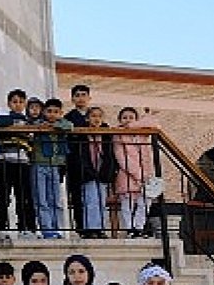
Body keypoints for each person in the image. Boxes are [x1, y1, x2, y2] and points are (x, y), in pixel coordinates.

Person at [0, 89, 37, 239]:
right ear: (9, 103)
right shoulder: (4, 118)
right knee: (4, 195)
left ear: (25, 104)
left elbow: (32, 140)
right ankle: (1, 227)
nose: (18, 105)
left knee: (24, 195)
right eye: (14, 102)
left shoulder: (29, 122)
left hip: (23, 162)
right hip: (6, 161)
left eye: (20, 102)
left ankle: (26, 228)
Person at [30, 98, 73, 239]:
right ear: (44, 112)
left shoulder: (62, 124)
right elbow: (33, 125)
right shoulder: (37, 123)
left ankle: (58, 228)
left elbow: (69, 125)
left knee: (55, 199)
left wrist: (56, 125)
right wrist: (44, 126)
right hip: (39, 163)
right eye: (49, 111)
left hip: (55, 165)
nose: (52, 115)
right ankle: (46, 229)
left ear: (60, 113)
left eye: (56, 112)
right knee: (41, 199)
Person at [113, 107, 158, 238]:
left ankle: (139, 228)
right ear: (119, 120)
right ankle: (130, 229)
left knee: (145, 203)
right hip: (127, 174)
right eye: (124, 117)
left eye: (131, 117)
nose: (127, 120)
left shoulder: (141, 133)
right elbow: (121, 157)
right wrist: (138, 175)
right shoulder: (118, 134)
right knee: (128, 205)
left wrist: (135, 124)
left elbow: (156, 125)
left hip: (146, 174)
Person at [73, 107, 117, 239]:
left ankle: (100, 228)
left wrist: (107, 172)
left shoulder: (105, 134)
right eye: (93, 116)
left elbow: (109, 154)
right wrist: (89, 171)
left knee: (101, 201)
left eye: (99, 116)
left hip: (101, 172)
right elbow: (81, 155)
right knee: (90, 201)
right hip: (89, 173)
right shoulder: (83, 133)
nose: (96, 119)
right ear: (87, 118)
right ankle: (90, 228)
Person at [64, 84, 93, 235]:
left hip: (93, 160)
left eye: (83, 95)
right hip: (75, 160)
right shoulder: (68, 118)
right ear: (72, 99)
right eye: (77, 95)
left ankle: (95, 227)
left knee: (93, 196)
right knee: (77, 196)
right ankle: (81, 227)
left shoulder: (95, 115)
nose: (80, 98)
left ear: (89, 98)